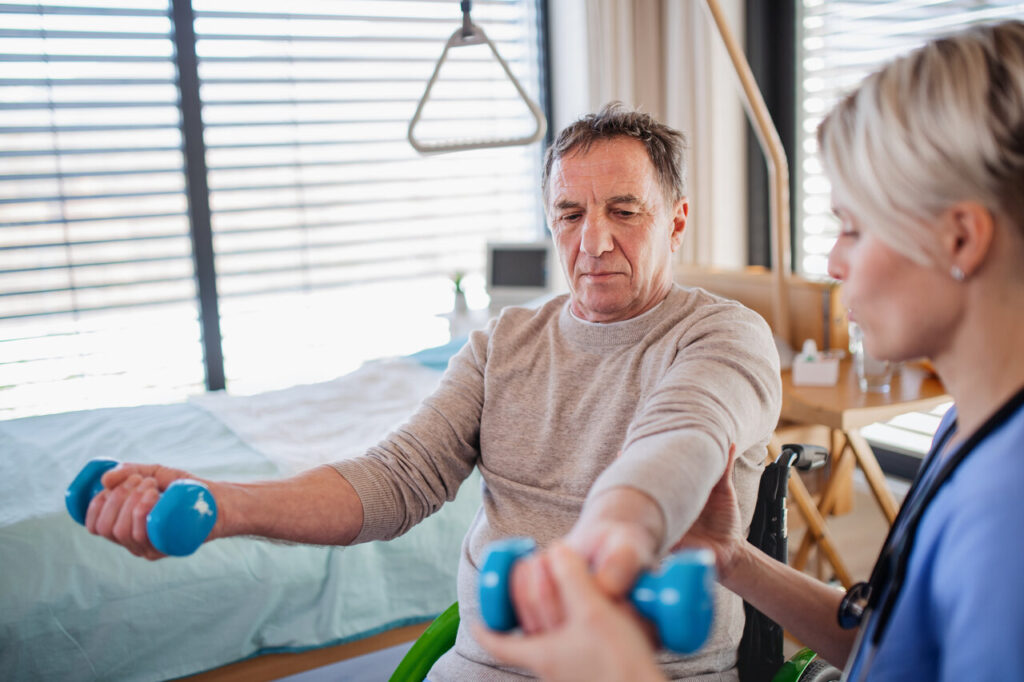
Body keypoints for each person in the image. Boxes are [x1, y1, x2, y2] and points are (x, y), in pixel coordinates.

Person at [84, 103, 782, 680]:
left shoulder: (724, 336)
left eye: (624, 211)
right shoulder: (502, 341)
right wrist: (220, 504)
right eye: (570, 214)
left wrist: (606, 542)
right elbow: (396, 478)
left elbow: (680, 440)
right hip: (488, 664)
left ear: (677, 220)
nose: (593, 241)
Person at [477, 20, 1024, 682]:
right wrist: (733, 556)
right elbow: (887, 642)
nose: (834, 260)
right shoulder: (970, 428)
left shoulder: (1008, 511)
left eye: (854, 228)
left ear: (960, 240)